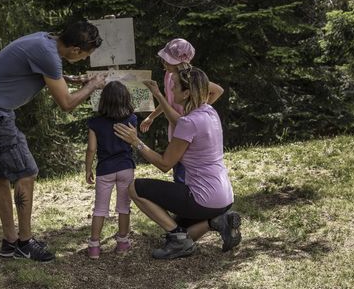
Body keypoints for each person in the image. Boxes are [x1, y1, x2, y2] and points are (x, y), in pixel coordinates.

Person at [0, 21, 106, 262]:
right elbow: (67, 104)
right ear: (74, 49)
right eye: (84, 55)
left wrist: (72, 79)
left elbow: (46, 72)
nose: (83, 59)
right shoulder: (49, 55)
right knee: (26, 173)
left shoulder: (45, 41)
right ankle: (25, 243)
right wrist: (92, 85)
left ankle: (10, 242)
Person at [114, 67, 241, 260]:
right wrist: (158, 95)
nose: (171, 91)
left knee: (134, 188)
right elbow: (179, 121)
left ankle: (178, 239)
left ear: (187, 93)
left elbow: (165, 164)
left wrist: (136, 142)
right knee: (181, 226)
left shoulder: (189, 123)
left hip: (202, 199)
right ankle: (216, 221)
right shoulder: (209, 112)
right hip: (224, 197)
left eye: (174, 88)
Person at [139, 38, 224, 184]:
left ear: (182, 62)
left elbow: (218, 91)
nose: (165, 63)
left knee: (183, 174)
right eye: (164, 59)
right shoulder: (169, 75)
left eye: (168, 60)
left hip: (188, 132)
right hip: (177, 130)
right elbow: (168, 100)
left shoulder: (190, 79)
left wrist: (197, 110)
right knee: (178, 171)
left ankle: (188, 201)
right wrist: (152, 117)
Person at [84, 81, 137, 259]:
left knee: (99, 209)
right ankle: (122, 243)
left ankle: (94, 247)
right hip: (126, 168)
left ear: (103, 100)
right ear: (125, 99)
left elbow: (91, 149)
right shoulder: (132, 119)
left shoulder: (95, 123)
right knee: (123, 207)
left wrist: (88, 169)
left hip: (104, 170)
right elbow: (133, 142)